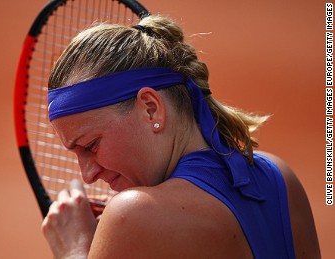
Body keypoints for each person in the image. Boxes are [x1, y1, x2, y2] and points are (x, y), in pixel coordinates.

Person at [41, 15, 320, 258]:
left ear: (151, 109)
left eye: (91, 145)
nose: (87, 175)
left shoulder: (131, 215)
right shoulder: (280, 177)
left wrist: (74, 250)